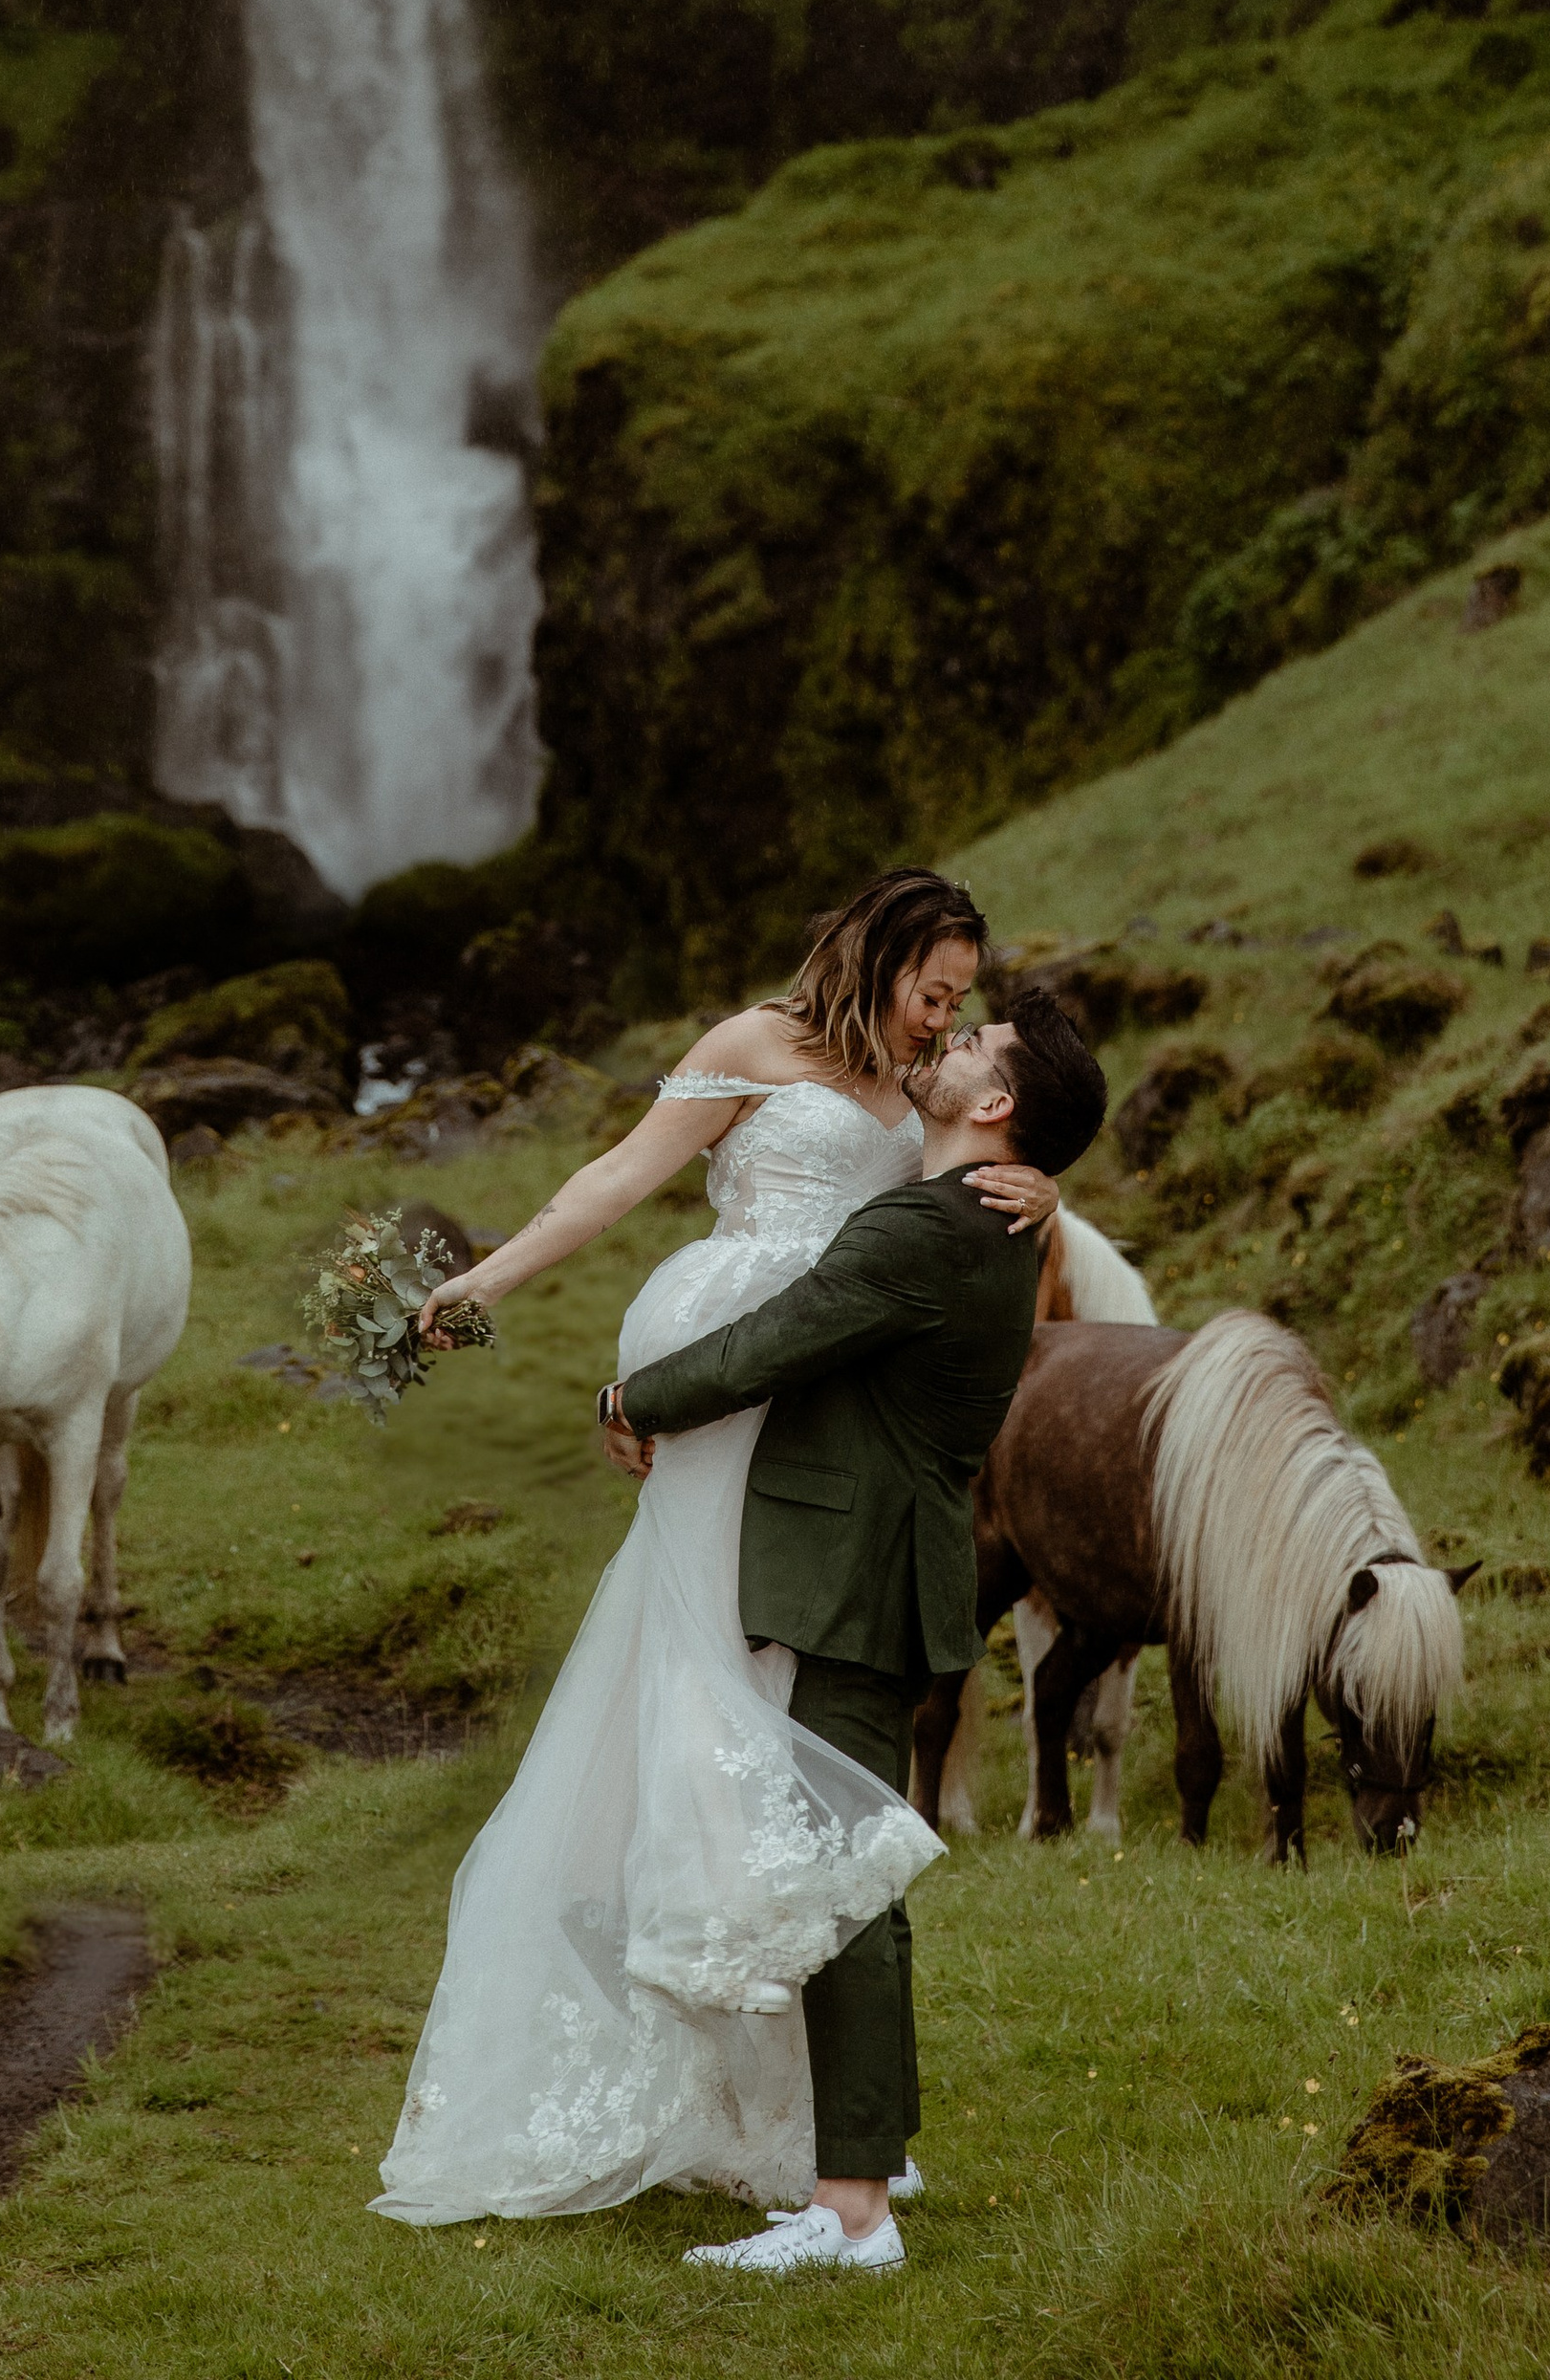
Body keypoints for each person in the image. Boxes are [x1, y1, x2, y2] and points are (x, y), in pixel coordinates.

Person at [370, 870, 1065, 2230]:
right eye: (935, 992)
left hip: (823, 1401)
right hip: (735, 1369)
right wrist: (486, 1278)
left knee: (771, 1705)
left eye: (961, 1009)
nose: (942, 1021)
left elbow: (959, 1196)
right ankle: (762, 2087)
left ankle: (813, 2122)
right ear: (876, 953)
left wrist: (1038, 1181)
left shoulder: (930, 1099)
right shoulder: (751, 1046)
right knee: (707, 1685)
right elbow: (617, 1181)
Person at [606, 992, 1109, 2276]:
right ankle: (861, 2167)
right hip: (885, 1567)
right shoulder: (978, 1215)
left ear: (995, 1104)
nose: (948, 1043)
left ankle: (851, 2213)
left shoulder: (928, 1231)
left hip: (858, 1573)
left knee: (845, 1883)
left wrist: (633, 1396)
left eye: (973, 1041)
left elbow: (782, 1336)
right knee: (852, 1879)